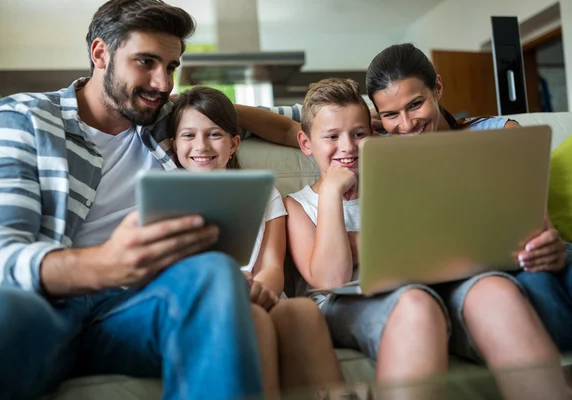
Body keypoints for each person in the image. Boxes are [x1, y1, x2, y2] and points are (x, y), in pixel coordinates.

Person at [0, 1, 264, 399]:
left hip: (136, 312)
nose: (163, 83)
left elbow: (253, 115)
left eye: (172, 67)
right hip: (44, 312)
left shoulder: (166, 118)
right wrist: (106, 265)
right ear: (100, 53)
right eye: (146, 61)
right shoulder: (22, 118)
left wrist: (344, 124)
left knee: (215, 272)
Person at [273, 77, 568, 399]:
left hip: (429, 282)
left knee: (495, 289)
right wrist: (331, 190)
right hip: (348, 302)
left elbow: (445, 240)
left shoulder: (400, 181)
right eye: (332, 137)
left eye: (358, 134)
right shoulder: (298, 205)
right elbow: (331, 277)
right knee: (415, 303)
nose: (347, 146)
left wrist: (361, 243)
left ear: (372, 135)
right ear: (305, 143)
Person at [365, 43, 572, 355]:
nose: (406, 125)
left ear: (438, 86)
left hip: (534, 257)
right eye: (391, 114)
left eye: (415, 104)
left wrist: (552, 245)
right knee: (536, 286)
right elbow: (313, 126)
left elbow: (537, 224)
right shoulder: (385, 156)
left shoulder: (502, 133)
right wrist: (369, 117)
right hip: (487, 276)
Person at [166, 85, 344, 393]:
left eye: (214, 134)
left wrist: (263, 288)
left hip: (263, 294)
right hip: (208, 302)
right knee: (250, 318)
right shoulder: (164, 197)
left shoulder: (263, 193)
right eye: (188, 135)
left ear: (234, 143)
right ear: (173, 144)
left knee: (301, 311)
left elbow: (273, 266)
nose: (202, 145)